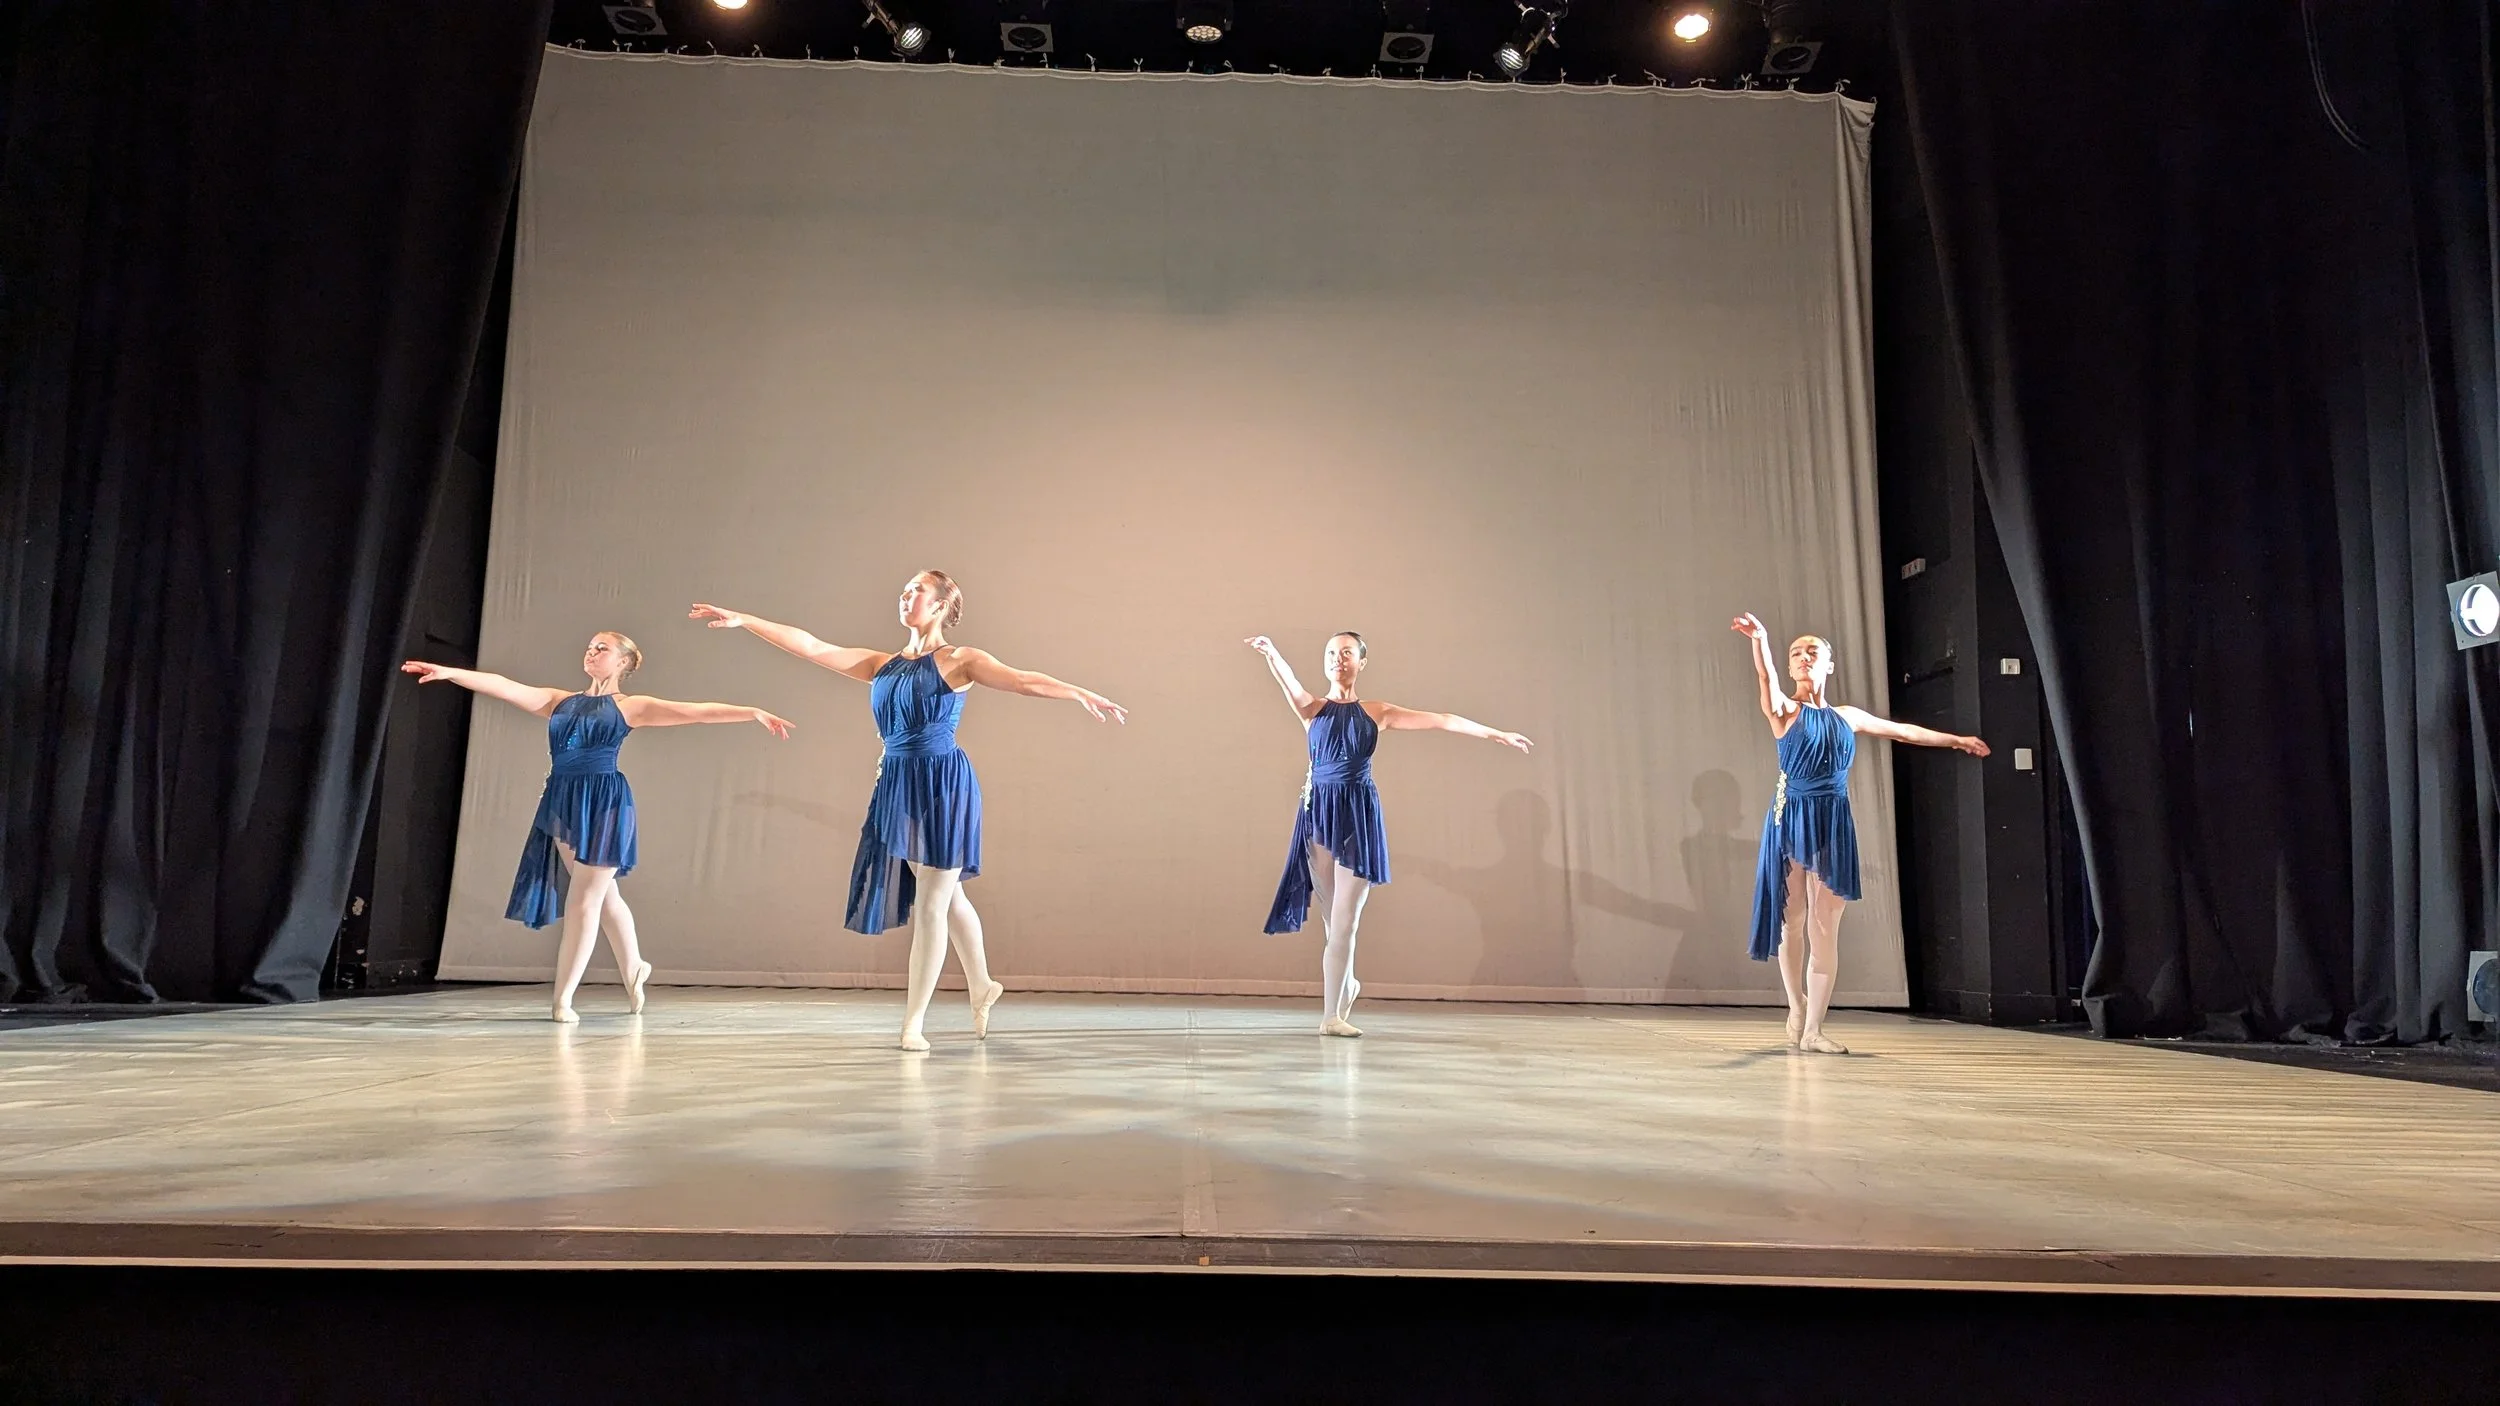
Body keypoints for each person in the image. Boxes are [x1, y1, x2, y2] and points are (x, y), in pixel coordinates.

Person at [691, 573, 1126, 1051]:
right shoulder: (882, 665)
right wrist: (745, 620)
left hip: (943, 785)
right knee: (947, 892)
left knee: (932, 902)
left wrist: (1079, 692)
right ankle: (982, 984)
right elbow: (812, 647)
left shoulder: (960, 660)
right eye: (903, 590)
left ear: (940, 606)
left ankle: (913, 1023)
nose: (905, 596)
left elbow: (1021, 680)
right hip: (899, 783)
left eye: (916, 590)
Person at [401, 632, 794, 1022]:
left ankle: (563, 999)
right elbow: (505, 686)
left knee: (584, 901)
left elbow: (695, 711)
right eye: (590, 647)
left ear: (622, 662)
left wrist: (751, 711)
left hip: (605, 804)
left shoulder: (630, 707)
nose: (591, 652)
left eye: (601, 649)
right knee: (604, 897)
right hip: (563, 802)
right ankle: (635, 965)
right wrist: (451, 672)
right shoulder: (559, 701)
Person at [1247, 632, 1533, 1036]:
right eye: (1331, 653)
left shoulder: (1377, 712)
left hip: (1357, 816)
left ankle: (1331, 1017)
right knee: (1332, 921)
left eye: (1346, 653)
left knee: (1345, 922)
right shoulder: (1311, 709)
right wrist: (1271, 652)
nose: (1337, 659)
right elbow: (1286, 679)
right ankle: (1347, 986)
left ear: (1361, 662)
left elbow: (1443, 720)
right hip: (1319, 816)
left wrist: (1496, 733)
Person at [1729, 613, 1988, 1053]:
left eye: (1813, 652)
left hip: (1832, 823)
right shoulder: (1785, 711)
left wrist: (1955, 739)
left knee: (1824, 928)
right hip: (1791, 819)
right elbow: (1765, 678)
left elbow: (1903, 731)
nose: (1804, 658)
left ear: (1829, 664)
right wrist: (1761, 641)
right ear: (1790, 667)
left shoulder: (1847, 717)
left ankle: (1813, 1030)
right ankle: (1796, 1004)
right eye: (1796, 653)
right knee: (1792, 922)